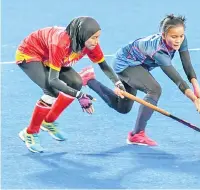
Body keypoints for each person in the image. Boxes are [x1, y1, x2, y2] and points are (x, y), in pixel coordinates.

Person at [79, 14, 200, 146]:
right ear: (163, 35)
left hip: (137, 65)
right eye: (173, 37)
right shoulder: (158, 51)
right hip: (125, 65)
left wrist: (197, 89)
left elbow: (187, 65)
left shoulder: (181, 40)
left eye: (181, 36)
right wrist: (194, 99)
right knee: (154, 90)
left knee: (123, 108)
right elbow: (177, 79)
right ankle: (137, 134)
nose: (178, 40)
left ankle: (89, 79)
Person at [16, 16, 125, 153]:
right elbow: (53, 80)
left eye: (98, 37)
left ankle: (48, 122)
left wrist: (118, 83)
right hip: (31, 53)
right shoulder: (60, 43)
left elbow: (104, 66)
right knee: (51, 91)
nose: (96, 42)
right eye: (93, 37)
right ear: (82, 35)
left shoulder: (89, 44)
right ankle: (30, 133)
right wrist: (80, 96)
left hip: (51, 56)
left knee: (76, 82)